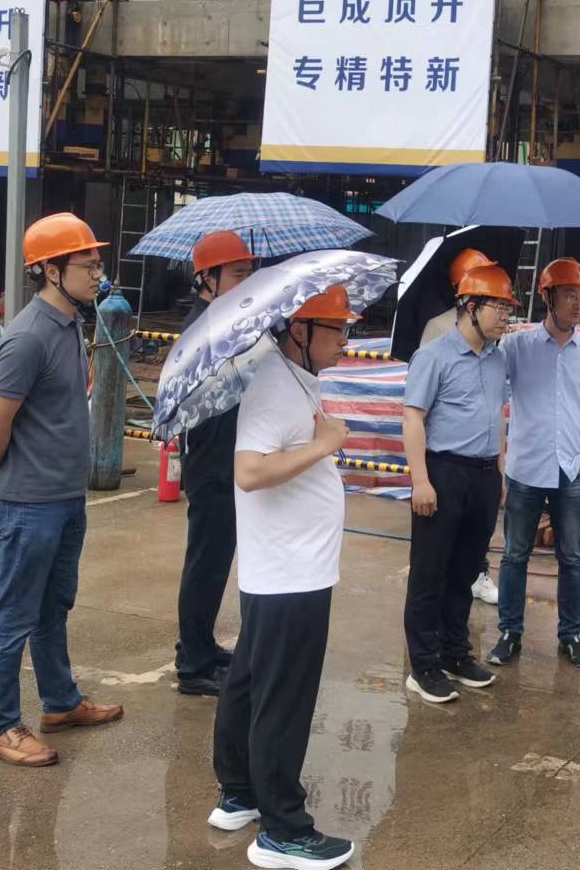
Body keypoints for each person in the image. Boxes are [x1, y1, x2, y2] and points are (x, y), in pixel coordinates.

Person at [209, 285, 359, 870]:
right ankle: (283, 830)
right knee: (285, 698)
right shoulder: (274, 384)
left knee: (251, 680)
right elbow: (249, 472)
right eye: (336, 329)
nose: (346, 340)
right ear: (300, 330)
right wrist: (325, 445)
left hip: (287, 568)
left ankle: (240, 792)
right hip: (290, 572)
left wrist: (319, 440)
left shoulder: (296, 377)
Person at [0, 212, 124, 767]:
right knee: (14, 615)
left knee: (54, 606)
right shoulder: (28, 336)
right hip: (30, 503)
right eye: (88, 264)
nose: (98, 273)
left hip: (64, 498)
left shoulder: (71, 324)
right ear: (51, 271)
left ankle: (60, 702)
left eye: (98, 263)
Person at [489, 258, 580, 671]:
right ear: (547, 297)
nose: (578, 304)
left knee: (572, 557)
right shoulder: (517, 348)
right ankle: (510, 633)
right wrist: (500, 462)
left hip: (572, 471)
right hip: (526, 469)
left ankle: (571, 636)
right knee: (514, 555)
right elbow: (492, 397)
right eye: (569, 295)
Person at [400, 262, 514, 705]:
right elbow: (413, 418)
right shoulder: (434, 355)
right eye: (497, 306)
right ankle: (423, 666)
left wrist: (499, 472)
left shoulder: (497, 358)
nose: (505, 316)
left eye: (508, 308)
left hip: (483, 476)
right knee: (430, 572)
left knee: (466, 571)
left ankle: (454, 653)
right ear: (469, 306)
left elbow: (498, 417)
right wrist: (420, 481)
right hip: (443, 472)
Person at [175, 229, 258, 697]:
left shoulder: (223, 322)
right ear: (208, 278)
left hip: (226, 458)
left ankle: (201, 644)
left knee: (215, 559)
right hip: (210, 463)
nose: (247, 282)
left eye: (249, 273)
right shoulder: (202, 332)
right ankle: (193, 663)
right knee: (206, 562)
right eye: (238, 274)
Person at [420, 249, 501, 608]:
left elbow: (495, 406)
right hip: (446, 458)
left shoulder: (494, 340)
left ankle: (477, 575)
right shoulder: (438, 332)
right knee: (436, 557)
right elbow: (421, 404)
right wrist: (422, 476)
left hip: (482, 462)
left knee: (471, 543)